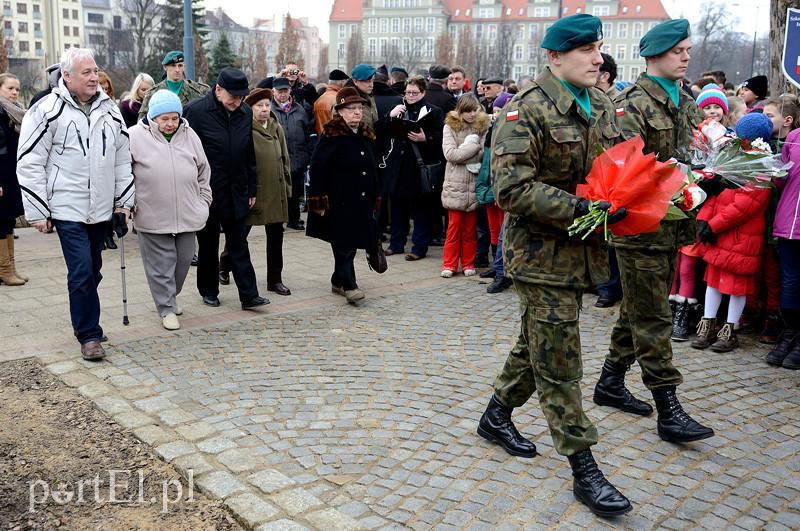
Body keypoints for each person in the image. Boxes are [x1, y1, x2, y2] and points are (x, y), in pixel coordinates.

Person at [479, 14, 632, 516]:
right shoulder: (526, 112)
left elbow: (617, 168)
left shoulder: (604, 104)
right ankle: (584, 466)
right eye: (585, 49)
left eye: (599, 48)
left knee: (537, 343)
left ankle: (496, 415)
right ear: (554, 57)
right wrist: (582, 209)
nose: (596, 57)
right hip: (540, 257)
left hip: (585, 252)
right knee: (560, 358)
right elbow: (513, 189)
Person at [594, 19, 714, 444]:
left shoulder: (686, 100)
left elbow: (699, 150)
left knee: (639, 308)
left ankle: (609, 382)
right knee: (654, 316)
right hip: (640, 229)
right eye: (678, 51)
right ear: (655, 55)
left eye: (687, 50)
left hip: (672, 227)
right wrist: (689, 181)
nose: (686, 57)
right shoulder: (629, 105)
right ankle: (668, 407)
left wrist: (712, 172)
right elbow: (626, 171)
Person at [17, 48, 135, 361]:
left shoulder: (110, 110)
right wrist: (39, 210)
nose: (95, 77)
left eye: (95, 71)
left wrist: (124, 203)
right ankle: (89, 335)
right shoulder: (46, 109)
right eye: (86, 72)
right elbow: (29, 160)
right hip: (66, 207)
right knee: (81, 270)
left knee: (93, 271)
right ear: (67, 76)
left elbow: (123, 159)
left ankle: (84, 316)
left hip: (100, 208)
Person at [183, 67, 268, 311]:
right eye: (233, 96)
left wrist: (252, 188)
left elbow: (249, 153)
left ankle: (249, 295)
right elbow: (186, 154)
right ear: (218, 90)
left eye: (241, 97)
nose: (237, 102)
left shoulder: (243, 112)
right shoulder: (196, 112)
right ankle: (209, 290)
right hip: (207, 192)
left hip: (237, 189)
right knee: (208, 244)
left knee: (238, 243)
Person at [129, 90, 211, 330]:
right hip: (151, 212)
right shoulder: (134, 136)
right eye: (164, 119)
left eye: (174, 118)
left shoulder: (189, 134)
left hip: (188, 211)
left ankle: (169, 297)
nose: (170, 124)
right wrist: (128, 203)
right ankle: (166, 308)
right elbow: (123, 172)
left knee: (183, 260)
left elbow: (203, 171)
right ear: (153, 117)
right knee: (160, 265)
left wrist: (203, 201)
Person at [691, 114, 771, 353]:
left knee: (736, 286)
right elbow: (716, 193)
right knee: (713, 282)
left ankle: (730, 328)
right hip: (721, 233)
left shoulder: (762, 166)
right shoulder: (733, 157)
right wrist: (703, 220)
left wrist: (713, 225)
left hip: (740, 236)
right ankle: (708, 324)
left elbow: (745, 206)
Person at [306, 87, 379, 304]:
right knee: (343, 244)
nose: (357, 112)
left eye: (359, 108)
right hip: (338, 200)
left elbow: (373, 169)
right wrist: (317, 199)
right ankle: (350, 285)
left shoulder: (365, 133)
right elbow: (317, 167)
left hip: (362, 200)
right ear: (340, 111)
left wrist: (376, 196)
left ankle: (338, 280)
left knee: (353, 242)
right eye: (351, 109)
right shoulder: (331, 134)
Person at [385, 76, 444, 261]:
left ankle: (419, 247)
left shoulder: (434, 111)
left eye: (414, 93)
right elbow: (385, 133)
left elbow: (441, 138)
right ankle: (396, 243)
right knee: (398, 206)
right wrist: (391, 117)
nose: (410, 96)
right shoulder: (399, 109)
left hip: (420, 166)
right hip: (399, 165)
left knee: (421, 208)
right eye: (408, 92)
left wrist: (425, 139)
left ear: (423, 92)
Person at [243, 88, 293, 296]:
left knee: (275, 237)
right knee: (240, 233)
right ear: (251, 108)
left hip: (275, 190)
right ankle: (224, 264)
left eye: (266, 105)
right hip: (255, 192)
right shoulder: (245, 128)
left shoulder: (276, 127)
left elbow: (285, 158)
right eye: (259, 106)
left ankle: (275, 279)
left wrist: (287, 186)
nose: (264, 109)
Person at [440, 93, 489, 278]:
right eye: (467, 111)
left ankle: (468, 262)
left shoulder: (483, 126)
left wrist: (467, 150)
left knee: (470, 229)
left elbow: (484, 155)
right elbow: (451, 155)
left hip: (475, 183)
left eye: (474, 110)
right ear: (460, 111)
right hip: (455, 184)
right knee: (454, 227)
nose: (471, 115)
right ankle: (449, 264)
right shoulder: (450, 126)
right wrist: (474, 146)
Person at [770, 102, 800, 368]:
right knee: (790, 282)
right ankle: (789, 332)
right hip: (790, 221)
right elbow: (781, 176)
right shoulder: (794, 137)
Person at [271, 77, 315, 232]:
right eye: (280, 91)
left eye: (285, 91)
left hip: (297, 158)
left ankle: (294, 219)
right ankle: (278, 221)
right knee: (279, 193)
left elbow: (308, 133)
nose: (283, 94)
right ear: (273, 92)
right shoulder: (269, 110)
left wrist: (306, 155)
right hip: (277, 160)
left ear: (290, 91)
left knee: (295, 192)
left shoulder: (299, 109)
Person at [0, 73, 27, 286]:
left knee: (8, 220)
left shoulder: (14, 113)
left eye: (17, 89)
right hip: (1, 175)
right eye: (10, 88)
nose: (15, 92)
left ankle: (11, 266)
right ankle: (4, 269)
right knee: (0, 221)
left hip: (11, 175)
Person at [139, 51, 209, 119]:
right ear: (165, 67)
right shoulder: (152, 93)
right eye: (173, 66)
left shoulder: (200, 91)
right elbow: (142, 123)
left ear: (184, 66)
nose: (177, 70)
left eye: (180, 65)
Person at [313, 69, 349, 134]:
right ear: (342, 82)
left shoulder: (318, 100)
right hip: (336, 140)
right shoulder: (340, 99)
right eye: (346, 82)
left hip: (321, 140)